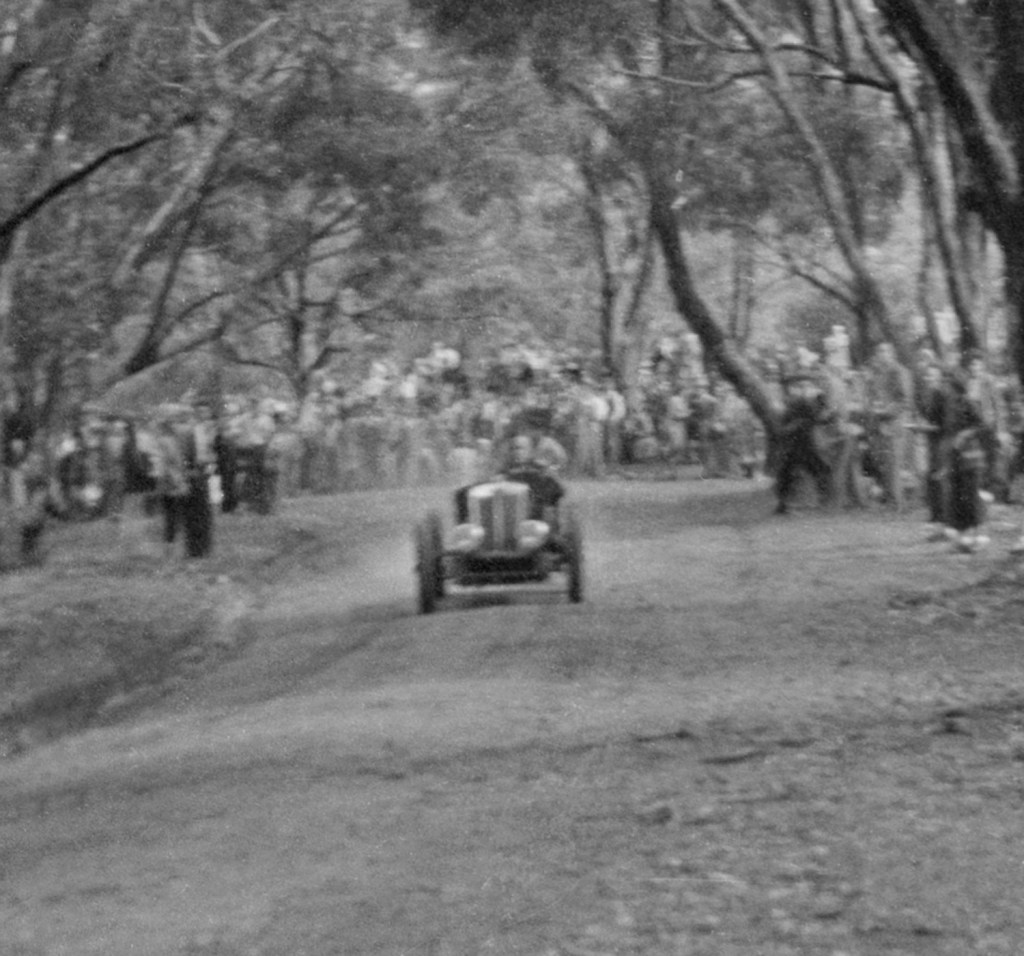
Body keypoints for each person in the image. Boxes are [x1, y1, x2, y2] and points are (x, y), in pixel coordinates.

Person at [773, 371, 834, 515]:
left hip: (807, 440)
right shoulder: (793, 400)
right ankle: (785, 504)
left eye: (806, 384)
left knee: (817, 468)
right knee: (789, 471)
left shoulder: (815, 398)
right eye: (800, 384)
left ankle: (823, 500)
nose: (803, 387)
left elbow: (821, 417)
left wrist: (827, 413)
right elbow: (786, 421)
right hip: (796, 441)